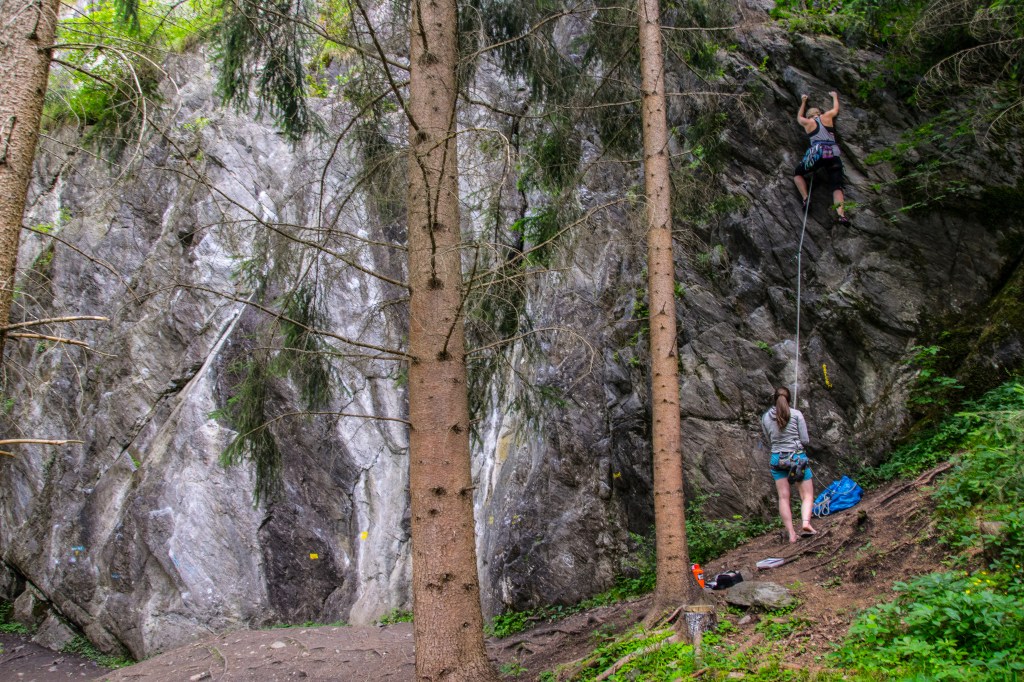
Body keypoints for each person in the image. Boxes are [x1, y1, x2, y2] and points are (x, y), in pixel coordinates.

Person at [762, 387, 817, 543]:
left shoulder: (766, 418)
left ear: (774, 399)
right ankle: (806, 524)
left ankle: (792, 534)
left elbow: (769, 439)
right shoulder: (797, 414)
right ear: (789, 398)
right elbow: (805, 440)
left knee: (783, 497)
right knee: (806, 495)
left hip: (777, 459)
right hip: (797, 458)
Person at [793, 91, 850, 225]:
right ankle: (841, 215)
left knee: (797, 173)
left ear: (809, 116)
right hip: (833, 154)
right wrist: (835, 96)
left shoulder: (807, 122)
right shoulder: (827, 116)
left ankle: (806, 198)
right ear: (819, 113)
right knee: (837, 187)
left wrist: (803, 101)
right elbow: (836, 108)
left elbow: (798, 117)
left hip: (818, 155)